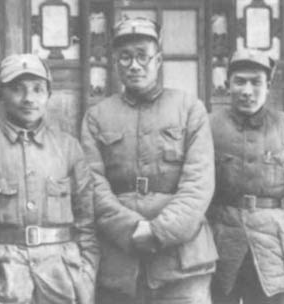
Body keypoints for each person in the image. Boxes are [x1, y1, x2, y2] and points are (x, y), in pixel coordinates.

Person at [0, 53, 99, 304]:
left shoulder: (69, 148)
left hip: (61, 279)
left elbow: (87, 221)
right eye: (17, 89)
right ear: (0, 95)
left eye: (37, 89)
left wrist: (85, 274)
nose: (29, 99)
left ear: (48, 94)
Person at [81, 17, 218, 304]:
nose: (134, 65)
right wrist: (131, 229)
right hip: (118, 260)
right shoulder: (97, 116)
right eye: (125, 57)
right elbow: (92, 185)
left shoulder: (190, 109)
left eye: (142, 56)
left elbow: (199, 185)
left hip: (182, 262)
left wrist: (158, 231)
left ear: (158, 60)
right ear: (116, 64)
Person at [209, 49, 284, 304]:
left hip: (273, 251)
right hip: (221, 249)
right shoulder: (209, 127)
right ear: (228, 85)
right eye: (240, 81)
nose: (247, 90)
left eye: (256, 82)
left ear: (268, 86)